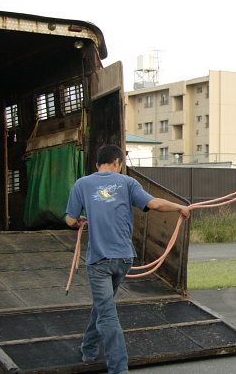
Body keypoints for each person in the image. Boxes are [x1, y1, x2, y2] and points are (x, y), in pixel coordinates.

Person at [65, 144, 190, 374]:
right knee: (104, 307)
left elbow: (70, 220)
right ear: (118, 163)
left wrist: (81, 219)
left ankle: (119, 369)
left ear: (97, 164)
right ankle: (89, 349)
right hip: (124, 259)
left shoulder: (82, 184)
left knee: (107, 317)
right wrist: (180, 207)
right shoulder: (127, 183)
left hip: (100, 261)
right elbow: (154, 204)